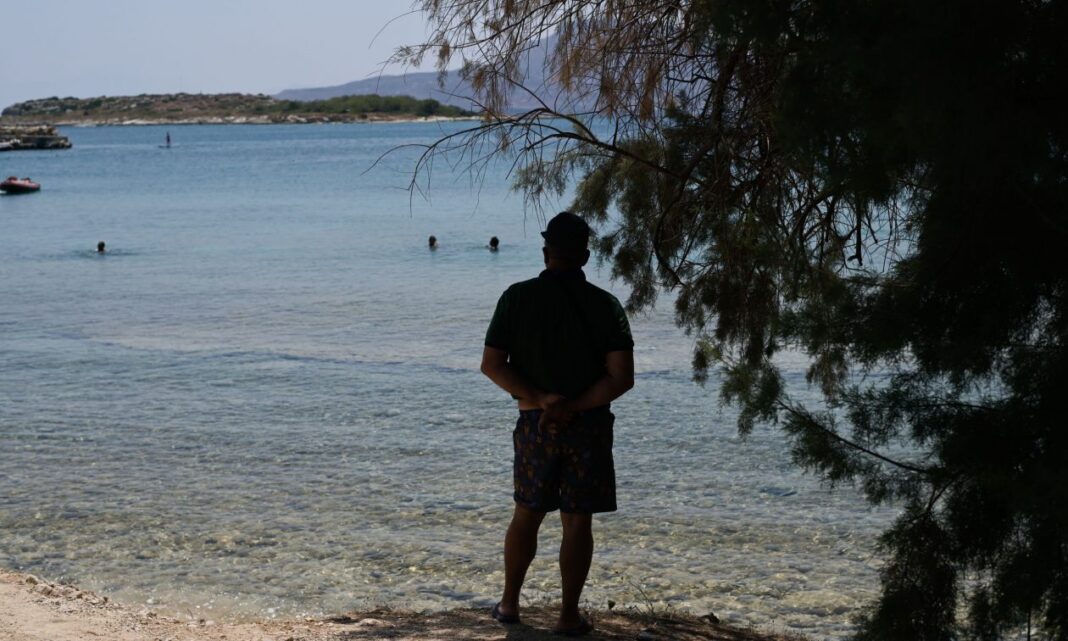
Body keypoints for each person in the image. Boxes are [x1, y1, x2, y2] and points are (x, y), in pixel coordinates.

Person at [481, 211, 635, 637]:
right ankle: (568, 616)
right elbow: (621, 377)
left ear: (545, 251)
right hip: (589, 425)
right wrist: (575, 406)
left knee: (527, 514)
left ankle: (509, 605)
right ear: (585, 255)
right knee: (577, 520)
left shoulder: (516, 298)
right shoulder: (606, 306)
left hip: (535, 423)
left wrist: (541, 399)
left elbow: (492, 365)